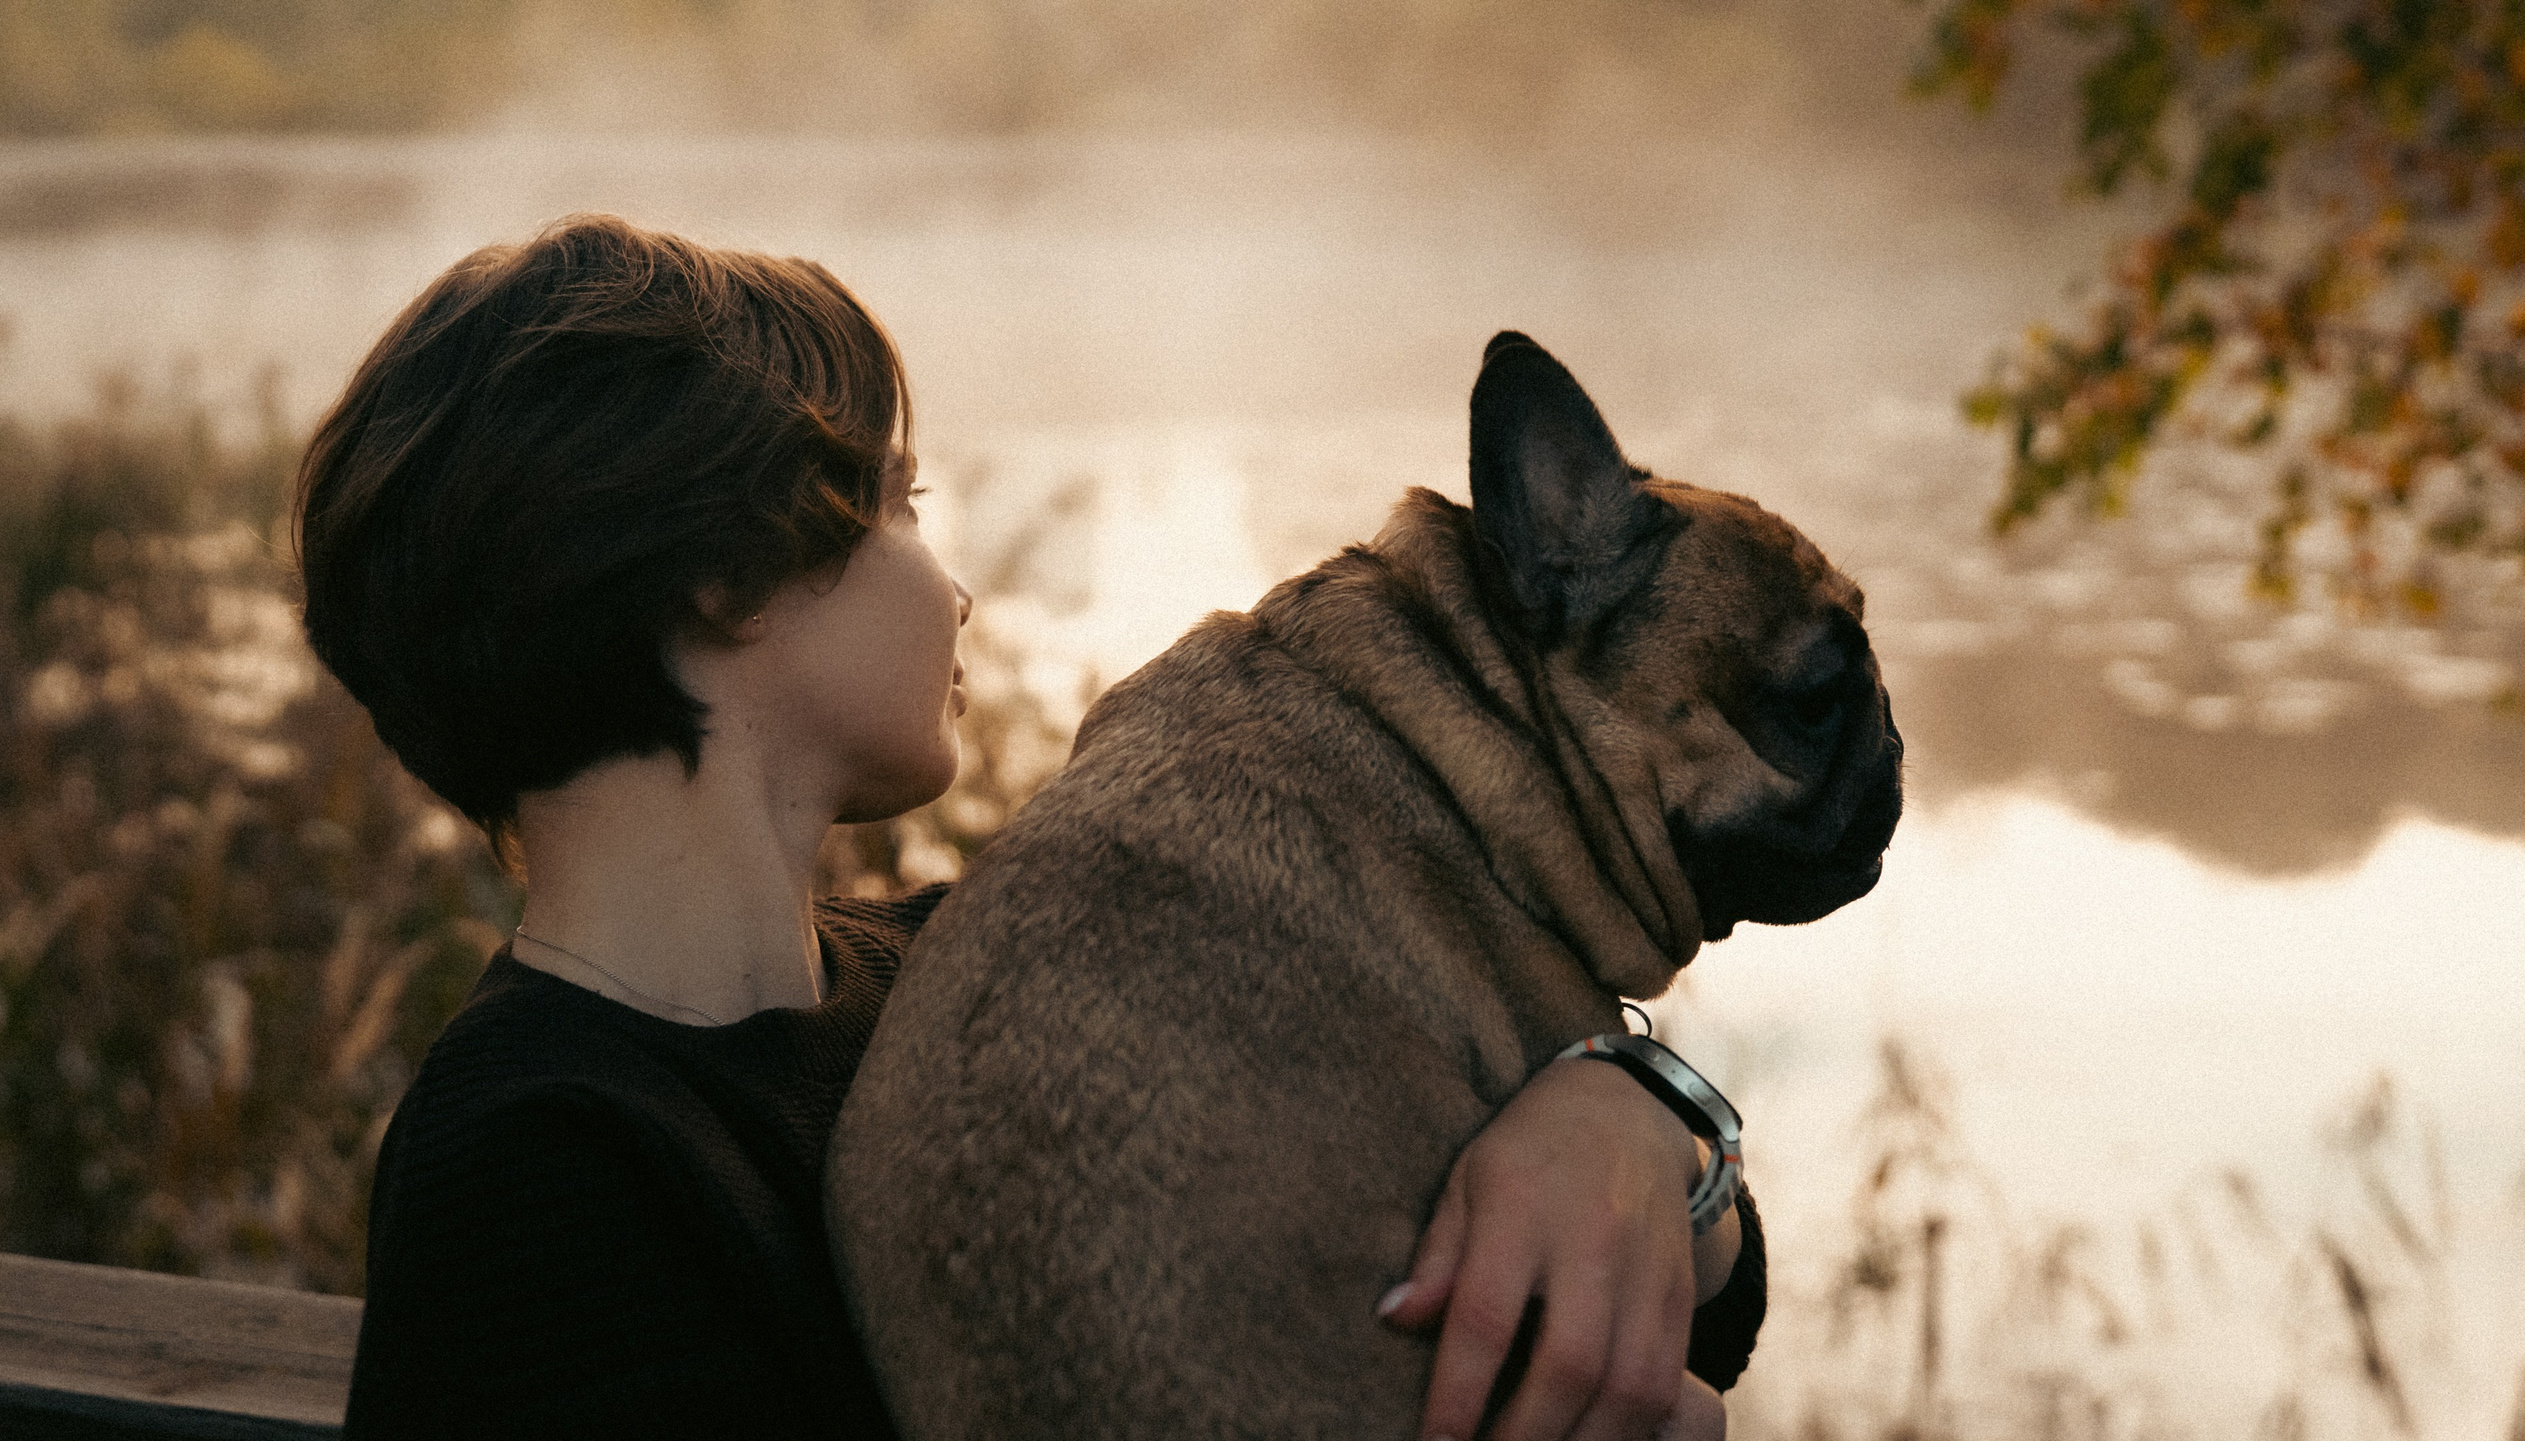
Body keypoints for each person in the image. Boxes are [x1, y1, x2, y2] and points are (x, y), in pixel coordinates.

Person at [297, 214, 1764, 1441]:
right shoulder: (540, 1160)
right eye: (896, 502)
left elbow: (1720, 1293)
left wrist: (1629, 1109)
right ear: (716, 574)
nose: (951, 587)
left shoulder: (971, 970)